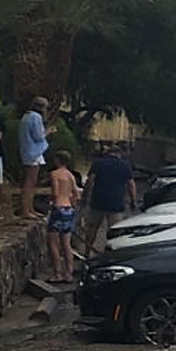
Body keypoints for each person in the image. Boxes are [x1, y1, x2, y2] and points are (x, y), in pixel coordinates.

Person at [78, 141, 137, 258]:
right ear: (119, 154)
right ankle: (112, 255)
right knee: (114, 231)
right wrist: (133, 201)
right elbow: (131, 185)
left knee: (92, 228)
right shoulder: (125, 166)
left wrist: (85, 197)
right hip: (116, 205)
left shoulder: (98, 164)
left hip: (98, 201)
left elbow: (90, 182)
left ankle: (86, 252)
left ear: (108, 153)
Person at [46, 151, 81, 281]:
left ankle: (57, 273)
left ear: (58, 160)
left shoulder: (54, 174)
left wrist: (51, 202)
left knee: (53, 243)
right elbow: (76, 195)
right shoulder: (70, 175)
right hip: (69, 210)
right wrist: (70, 203)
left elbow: (55, 192)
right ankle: (69, 273)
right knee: (66, 243)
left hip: (58, 208)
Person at [18, 95, 49, 219]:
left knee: (30, 182)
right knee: (30, 182)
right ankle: (26, 210)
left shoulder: (26, 116)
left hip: (27, 151)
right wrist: (48, 131)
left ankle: (30, 208)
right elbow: (38, 136)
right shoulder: (35, 117)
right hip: (33, 152)